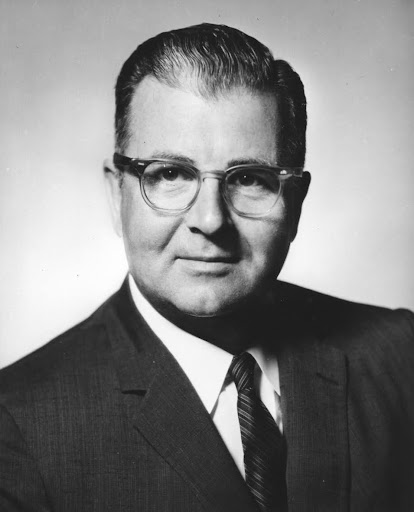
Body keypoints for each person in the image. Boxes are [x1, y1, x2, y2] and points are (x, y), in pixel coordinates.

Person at [1, 23, 413, 512]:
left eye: (249, 179)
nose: (211, 220)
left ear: (296, 203)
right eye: (170, 174)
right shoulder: (20, 425)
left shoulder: (398, 354)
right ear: (117, 194)